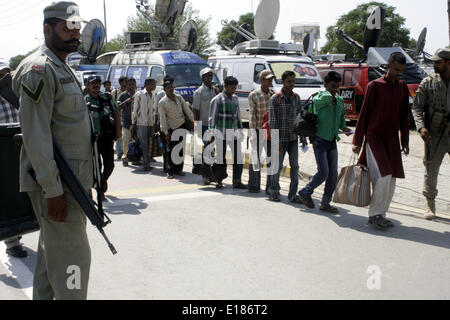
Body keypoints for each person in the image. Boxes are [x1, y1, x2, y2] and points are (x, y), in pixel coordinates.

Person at [12, 1, 92, 299]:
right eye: (66, 28)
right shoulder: (39, 69)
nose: (75, 34)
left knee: (51, 257)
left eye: (77, 28)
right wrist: (52, 190)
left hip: (72, 183)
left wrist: (86, 184)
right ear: (47, 29)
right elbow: (36, 136)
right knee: (73, 260)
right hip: (57, 185)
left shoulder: (62, 66)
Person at [352, 52, 410, 230]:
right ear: (388, 66)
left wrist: (405, 142)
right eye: (396, 69)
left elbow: (404, 117)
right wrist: (358, 140)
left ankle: (381, 213)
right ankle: (374, 214)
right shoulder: (374, 86)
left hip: (392, 139)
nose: (399, 73)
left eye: (402, 71)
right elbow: (365, 114)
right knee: (384, 175)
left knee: (391, 178)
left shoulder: (402, 87)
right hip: (374, 137)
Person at [298, 71, 353, 213]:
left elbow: (341, 118)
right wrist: (330, 93)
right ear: (325, 85)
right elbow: (322, 99)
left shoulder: (339, 100)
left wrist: (345, 128)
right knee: (324, 172)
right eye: (332, 86)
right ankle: (306, 191)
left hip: (332, 140)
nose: (335, 90)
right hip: (319, 140)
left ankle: (325, 203)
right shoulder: (321, 97)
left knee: (333, 174)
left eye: (337, 86)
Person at [412, 48, 450, 220]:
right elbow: (417, 107)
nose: (434, 64)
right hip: (435, 133)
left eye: (438, 62)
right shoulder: (428, 82)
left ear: (448, 63)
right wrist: (421, 127)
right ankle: (430, 204)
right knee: (431, 168)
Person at [0, 62, 27, 258]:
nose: (5, 78)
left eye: (6, 73)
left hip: (20, 147)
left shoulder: (18, 95)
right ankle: (11, 240)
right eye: (1, 74)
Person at [268, 71, 304, 204]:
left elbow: (300, 120)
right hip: (280, 139)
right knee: (277, 166)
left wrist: (303, 138)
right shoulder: (275, 98)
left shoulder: (297, 98)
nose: (292, 84)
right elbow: (272, 122)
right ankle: (273, 191)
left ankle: (293, 195)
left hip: (293, 138)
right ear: (283, 82)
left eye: (293, 81)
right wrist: (276, 142)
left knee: (295, 166)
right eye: (289, 81)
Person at [85, 75, 121, 198]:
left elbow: (116, 113)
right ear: (88, 85)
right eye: (93, 83)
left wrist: (118, 131)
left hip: (107, 137)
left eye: (98, 83)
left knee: (110, 165)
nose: (96, 85)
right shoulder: (84, 100)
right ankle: (100, 191)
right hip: (93, 139)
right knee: (97, 165)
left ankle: (102, 180)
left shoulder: (107, 97)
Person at [209, 76, 247, 189]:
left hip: (234, 132)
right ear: (225, 86)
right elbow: (212, 118)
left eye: (235, 88)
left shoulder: (235, 99)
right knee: (220, 158)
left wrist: (240, 130)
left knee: (238, 157)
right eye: (231, 88)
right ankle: (219, 180)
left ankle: (237, 181)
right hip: (221, 132)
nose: (233, 90)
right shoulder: (217, 100)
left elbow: (238, 116)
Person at [158, 80, 194, 179]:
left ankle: (179, 169)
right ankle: (170, 171)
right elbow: (162, 119)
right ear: (164, 89)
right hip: (171, 129)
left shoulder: (179, 98)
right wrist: (165, 132)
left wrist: (193, 121)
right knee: (170, 150)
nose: (170, 89)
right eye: (168, 87)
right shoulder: (162, 102)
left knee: (180, 149)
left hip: (181, 126)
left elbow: (187, 110)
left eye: (172, 87)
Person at [248, 69, 275, 194]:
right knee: (255, 158)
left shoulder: (273, 95)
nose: (270, 81)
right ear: (261, 80)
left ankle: (270, 187)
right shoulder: (254, 95)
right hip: (258, 129)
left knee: (271, 159)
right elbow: (252, 116)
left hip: (270, 132)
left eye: (271, 79)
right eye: (267, 79)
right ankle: (254, 185)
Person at [192, 67, 219, 185]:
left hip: (213, 125)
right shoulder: (198, 92)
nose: (210, 78)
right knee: (208, 149)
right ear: (203, 78)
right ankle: (205, 175)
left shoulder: (214, 90)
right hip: (203, 124)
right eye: (207, 76)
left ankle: (209, 173)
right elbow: (196, 110)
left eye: (211, 76)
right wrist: (197, 127)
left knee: (211, 150)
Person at [131, 78, 157, 172]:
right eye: (153, 84)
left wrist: (155, 122)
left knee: (150, 143)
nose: (154, 86)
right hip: (141, 122)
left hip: (151, 123)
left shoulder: (153, 95)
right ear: (147, 84)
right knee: (144, 144)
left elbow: (154, 109)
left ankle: (147, 162)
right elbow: (135, 109)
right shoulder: (139, 94)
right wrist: (133, 122)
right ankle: (145, 164)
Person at [118, 78, 137, 167]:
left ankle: (134, 158)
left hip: (137, 122)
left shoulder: (139, 95)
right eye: (129, 84)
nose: (131, 86)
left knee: (136, 141)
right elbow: (117, 107)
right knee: (126, 141)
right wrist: (126, 102)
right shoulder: (122, 95)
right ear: (127, 85)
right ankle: (125, 158)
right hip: (126, 122)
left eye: (133, 84)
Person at [111, 76, 128, 160]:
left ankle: (127, 152)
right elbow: (111, 104)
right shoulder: (115, 92)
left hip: (127, 117)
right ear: (121, 83)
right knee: (119, 135)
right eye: (125, 82)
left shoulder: (130, 92)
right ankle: (119, 153)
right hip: (117, 116)